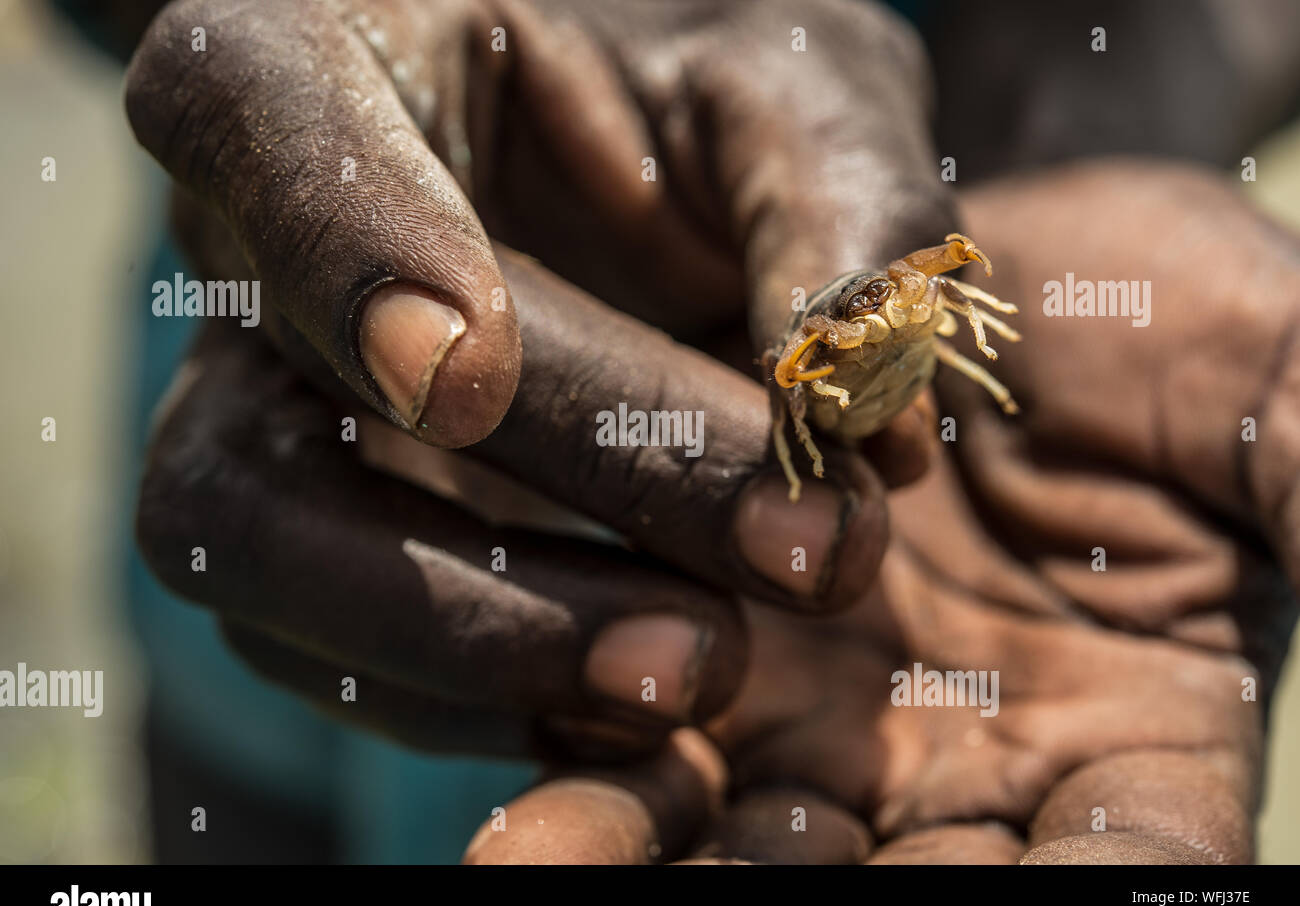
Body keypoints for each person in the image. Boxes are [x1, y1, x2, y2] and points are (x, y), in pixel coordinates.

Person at [119, 0, 1300, 862]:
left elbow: (944, 277)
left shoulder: (934, 279)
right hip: (316, 342)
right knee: (247, 742)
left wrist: (1089, 115)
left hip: (794, 577)